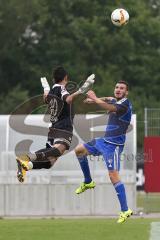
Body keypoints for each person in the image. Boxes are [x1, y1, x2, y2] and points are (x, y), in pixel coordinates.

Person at [16, 66, 95, 183]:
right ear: (66, 77)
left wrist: (45, 87)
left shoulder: (52, 91)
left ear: (53, 79)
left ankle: (26, 166)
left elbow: (45, 97)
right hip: (63, 127)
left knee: (49, 162)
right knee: (59, 150)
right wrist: (81, 90)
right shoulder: (61, 88)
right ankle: (26, 158)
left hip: (53, 128)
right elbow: (68, 99)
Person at [74, 80, 133, 223]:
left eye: (122, 88)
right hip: (103, 141)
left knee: (113, 176)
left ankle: (125, 210)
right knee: (79, 150)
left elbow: (110, 106)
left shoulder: (124, 104)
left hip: (113, 146)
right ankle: (88, 181)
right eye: (117, 87)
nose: (118, 89)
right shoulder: (117, 99)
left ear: (126, 92)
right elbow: (109, 99)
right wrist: (94, 100)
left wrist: (94, 98)